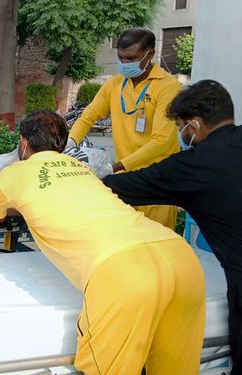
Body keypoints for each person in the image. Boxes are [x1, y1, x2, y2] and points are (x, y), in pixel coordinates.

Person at [0, 111, 206, 375]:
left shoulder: (16, 174)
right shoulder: (81, 170)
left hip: (123, 272)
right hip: (180, 258)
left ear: (24, 143)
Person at [102, 80, 242, 375]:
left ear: (193, 125)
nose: (181, 135)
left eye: (180, 128)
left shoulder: (195, 166)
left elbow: (119, 188)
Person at [68, 28, 181, 229]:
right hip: (126, 180)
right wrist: (70, 144)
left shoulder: (168, 86)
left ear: (150, 54)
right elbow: (88, 117)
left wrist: (114, 167)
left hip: (157, 180)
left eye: (131, 58)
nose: (125, 64)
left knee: (156, 245)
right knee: (125, 239)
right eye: (120, 58)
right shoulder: (115, 84)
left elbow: (161, 141)